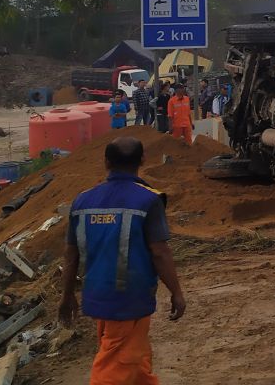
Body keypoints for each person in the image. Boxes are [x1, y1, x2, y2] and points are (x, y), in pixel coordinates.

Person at [59, 137, 186, 384]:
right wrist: (177, 292)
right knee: (114, 369)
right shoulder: (148, 199)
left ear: (106, 162)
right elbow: (160, 252)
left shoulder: (83, 200)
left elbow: (70, 254)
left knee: (134, 360)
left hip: (96, 294)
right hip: (130, 298)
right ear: (142, 161)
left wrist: (66, 296)